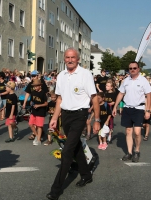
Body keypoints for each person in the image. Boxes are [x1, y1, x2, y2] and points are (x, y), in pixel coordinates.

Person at [46, 48, 100, 200]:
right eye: (67, 57)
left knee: (67, 151)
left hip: (79, 115)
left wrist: (97, 120)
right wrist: (55, 118)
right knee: (75, 147)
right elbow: (59, 99)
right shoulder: (61, 75)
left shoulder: (85, 74)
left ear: (78, 59)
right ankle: (86, 175)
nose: (70, 60)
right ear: (64, 59)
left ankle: (56, 189)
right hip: (66, 116)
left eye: (72, 57)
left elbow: (94, 98)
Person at [112, 61, 151, 163]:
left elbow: (148, 95)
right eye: (130, 68)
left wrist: (148, 110)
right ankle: (129, 153)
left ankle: (137, 150)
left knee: (137, 132)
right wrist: (115, 107)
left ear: (138, 69)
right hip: (127, 108)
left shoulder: (143, 81)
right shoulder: (125, 81)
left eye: (134, 68)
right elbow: (121, 93)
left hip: (139, 108)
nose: (132, 70)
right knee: (128, 131)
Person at [28, 79, 48, 146]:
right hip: (33, 111)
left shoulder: (43, 93)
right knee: (30, 124)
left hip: (41, 111)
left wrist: (39, 105)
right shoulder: (33, 92)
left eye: (36, 86)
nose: (35, 88)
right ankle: (37, 135)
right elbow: (31, 100)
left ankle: (39, 140)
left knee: (39, 126)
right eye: (34, 86)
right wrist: (31, 103)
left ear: (40, 86)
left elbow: (46, 103)